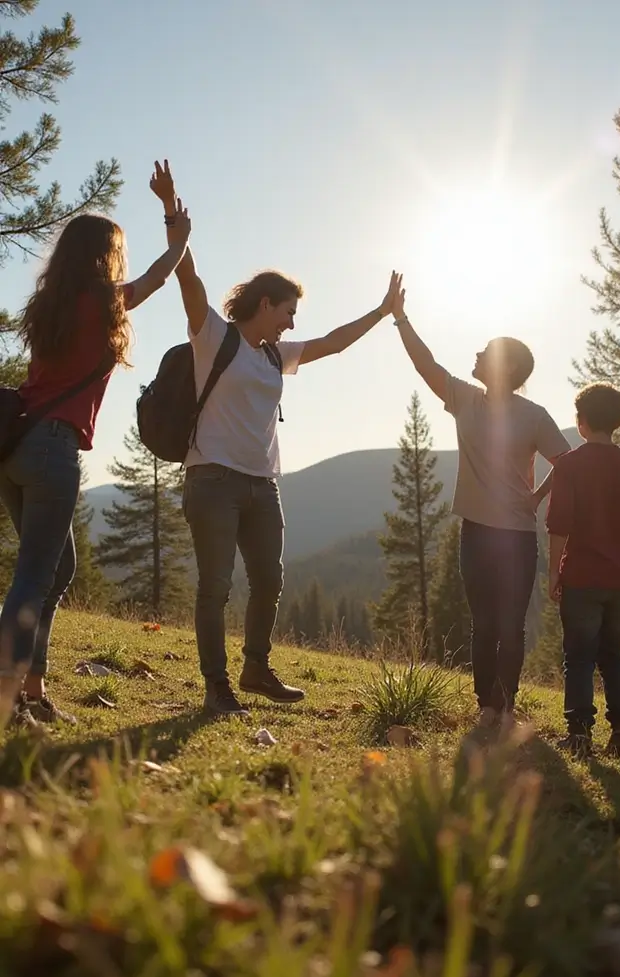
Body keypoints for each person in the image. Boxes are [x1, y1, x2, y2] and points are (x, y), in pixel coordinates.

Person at [149, 161, 401, 718]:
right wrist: (172, 215)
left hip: (263, 487)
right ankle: (217, 687)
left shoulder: (273, 355)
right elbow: (188, 280)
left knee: (270, 578)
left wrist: (383, 312)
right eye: (288, 310)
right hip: (211, 478)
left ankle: (256, 668)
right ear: (265, 304)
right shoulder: (214, 337)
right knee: (215, 585)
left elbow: (332, 343)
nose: (292, 322)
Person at [0, 166, 192, 730]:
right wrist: (174, 228)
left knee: (57, 568)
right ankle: (8, 698)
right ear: (104, 256)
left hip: (14, 453)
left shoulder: (51, 306)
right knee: (36, 575)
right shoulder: (102, 301)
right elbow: (158, 277)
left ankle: (32, 688)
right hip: (52, 451)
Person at [390, 278, 570, 731]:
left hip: (514, 535)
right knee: (487, 622)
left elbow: (567, 463)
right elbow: (424, 363)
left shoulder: (533, 415)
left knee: (505, 623)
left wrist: (536, 496)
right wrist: (399, 318)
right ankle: (487, 705)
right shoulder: (465, 398)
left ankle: (503, 705)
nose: (474, 355)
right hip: (479, 531)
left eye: (484, 351)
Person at [546, 383, 620, 760]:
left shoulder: (569, 464)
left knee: (579, 657)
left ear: (580, 423)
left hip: (581, 578)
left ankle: (579, 735)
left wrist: (553, 574)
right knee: (614, 655)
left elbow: (559, 525)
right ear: (618, 421)